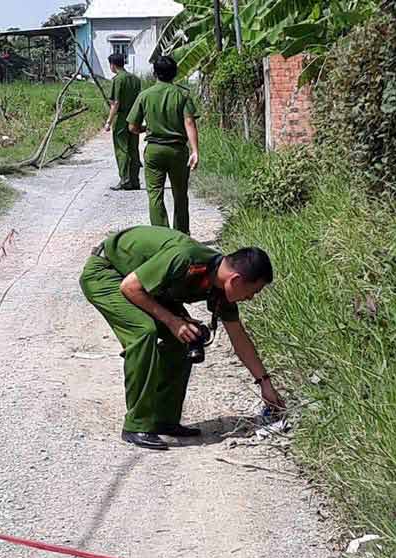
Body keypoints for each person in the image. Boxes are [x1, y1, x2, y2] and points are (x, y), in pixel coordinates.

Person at [79, 225, 285, 451]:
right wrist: (172, 321)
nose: (250, 298)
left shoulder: (221, 285)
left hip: (144, 287)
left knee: (186, 336)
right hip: (107, 273)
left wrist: (265, 384)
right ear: (235, 280)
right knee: (144, 332)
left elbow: (238, 337)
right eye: (252, 292)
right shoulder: (186, 258)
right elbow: (130, 287)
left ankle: (164, 421)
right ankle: (136, 424)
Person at [127, 56, 199, 235]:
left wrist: (146, 128)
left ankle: (162, 236)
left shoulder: (145, 95)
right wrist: (195, 151)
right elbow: (189, 122)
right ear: (175, 74)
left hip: (154, 151)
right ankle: (181, 235)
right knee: (180, 195)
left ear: (154, 73)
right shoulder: (182, 94)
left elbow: (132, 127)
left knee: (155, 195)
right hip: (177, 151)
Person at [105, 53, 142, 191]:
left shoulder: (117, 80)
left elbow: (115, 103)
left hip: (122, 118)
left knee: (122, 149)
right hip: (135, 117)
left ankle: (125, 180)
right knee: (133, 148)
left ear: (112, 65)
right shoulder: (136, 79)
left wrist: (109, 121)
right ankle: (135, 180)